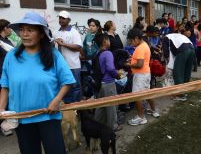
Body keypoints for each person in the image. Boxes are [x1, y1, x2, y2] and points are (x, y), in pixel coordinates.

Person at [0, 12, 75, 154]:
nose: (24, 34)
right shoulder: (11, 56)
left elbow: (67, 81)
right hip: (22, 118)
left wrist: (56, 101)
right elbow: (5, 85)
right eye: (22, 29)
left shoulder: (53, 55)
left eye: (30, 30)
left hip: (48, 116)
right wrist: (1, 109)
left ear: (41, 34)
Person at [125, 28, 159, 126]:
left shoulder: (140, 48)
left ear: (136, 38)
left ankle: (141, 117)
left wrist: (128, 65)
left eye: (131, 41)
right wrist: (132, 59)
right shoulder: (145, 45)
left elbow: (139, 64)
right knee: (147, 93)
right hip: (146, 73)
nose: (131, 43)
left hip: (140, 75)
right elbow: (140, 60)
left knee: (137, 96)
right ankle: (154, 111)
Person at [93, 33, 121, 131]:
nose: (110, 41)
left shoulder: (97, 53)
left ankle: (97, 125)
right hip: (108, 83)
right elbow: (110, 68)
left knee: (100, 106)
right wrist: (117, 74)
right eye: (108, 40)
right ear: (105, 41)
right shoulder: (108, 53)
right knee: (111, 107)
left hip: (100, 83)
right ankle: (112, 127)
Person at [53, 11, 82, 103]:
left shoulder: (74, 32)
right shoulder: (55, 32)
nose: (61, 20)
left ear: (69, 20)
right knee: (63, 87)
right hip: (60, 66)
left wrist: (64, 44)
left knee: (75, 87)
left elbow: (78, 47)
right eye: (60, 18)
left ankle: (76, 110)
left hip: (73, 65)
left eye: (63, 18)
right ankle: (67, 110)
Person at [162, 28, 195, 101]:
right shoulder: (175, 36)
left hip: (183, 51)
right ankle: (185, 90)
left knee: (178, 73)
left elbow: (166, 53)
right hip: (192, 49)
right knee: (186, 72)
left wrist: (167, 63)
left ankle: (181, 95)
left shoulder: (165, 38)